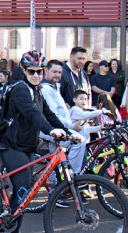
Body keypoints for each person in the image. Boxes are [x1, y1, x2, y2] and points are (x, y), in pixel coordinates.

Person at [0, 50, 68, 233]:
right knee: (22, 190)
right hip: (12, 147)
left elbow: (48, 113)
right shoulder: (21, 90)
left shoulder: (36, 89)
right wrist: (51, 131)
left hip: (26, 146)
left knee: (25, 192)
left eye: (39, 71)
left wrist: (69, 132)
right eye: (32, 71)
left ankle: (15, 230)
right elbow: (33, 113)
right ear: (23, 70)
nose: (36, 75)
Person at [41, 59, 87, 206]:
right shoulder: (46, 89)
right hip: (53, 129)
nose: (57, 75)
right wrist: (69, 128)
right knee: (78, 142)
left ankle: (61, 186)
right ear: (46, 71)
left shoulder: (54, 87)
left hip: (59, 128)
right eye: (54, 72)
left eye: (59, 72)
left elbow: (62, 112)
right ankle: (69, 181)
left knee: (54, 161)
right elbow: (54, 114)